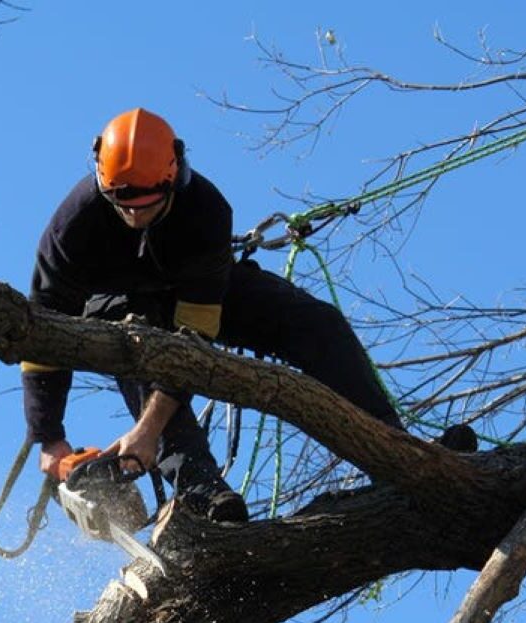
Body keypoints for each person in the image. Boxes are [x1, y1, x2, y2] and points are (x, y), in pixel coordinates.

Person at [23, 108, 403, 523]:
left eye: (146, 205)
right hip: (116, 306)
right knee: (135, 344)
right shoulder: (71, 229)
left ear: (172, 178)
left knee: (315, 323)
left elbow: (194, 341)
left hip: (194, 294)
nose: (133, 214)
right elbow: (42, 330)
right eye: (123, 204)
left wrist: (147, 432)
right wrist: (49, 438)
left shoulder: (205, 211)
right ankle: (204, 491)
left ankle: (396, 449)